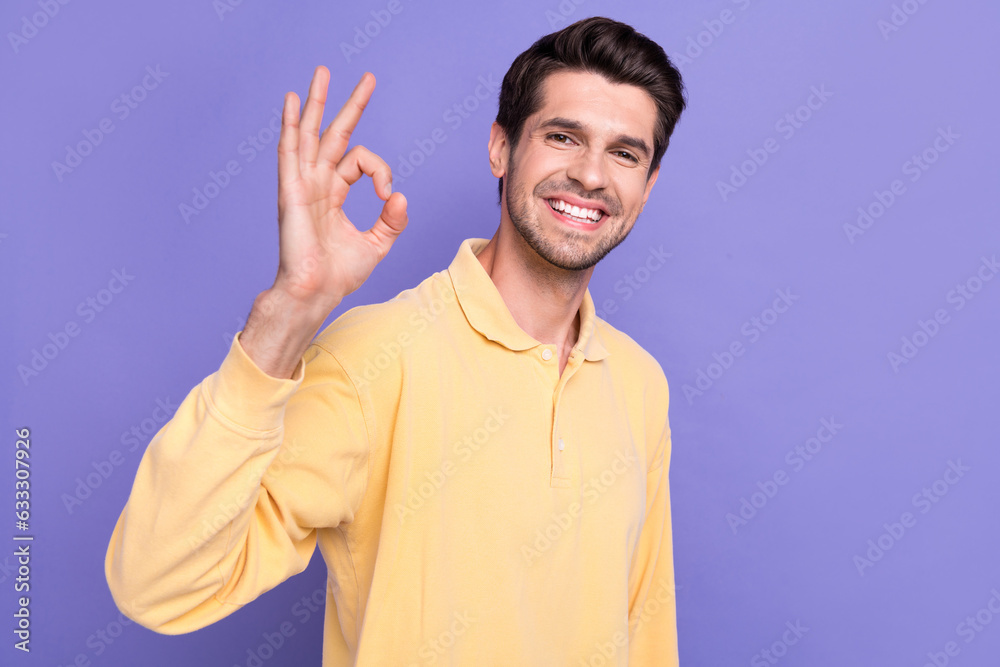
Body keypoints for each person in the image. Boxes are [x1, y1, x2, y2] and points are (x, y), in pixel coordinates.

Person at [105, 15, 686, 666]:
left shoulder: (639, 381)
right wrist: (288, 311)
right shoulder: (375, 357)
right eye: (562, 136)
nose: (590, 174)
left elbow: (645, 628)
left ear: (647, 185)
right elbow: (156, 584)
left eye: (625, 153)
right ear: (501, 147)